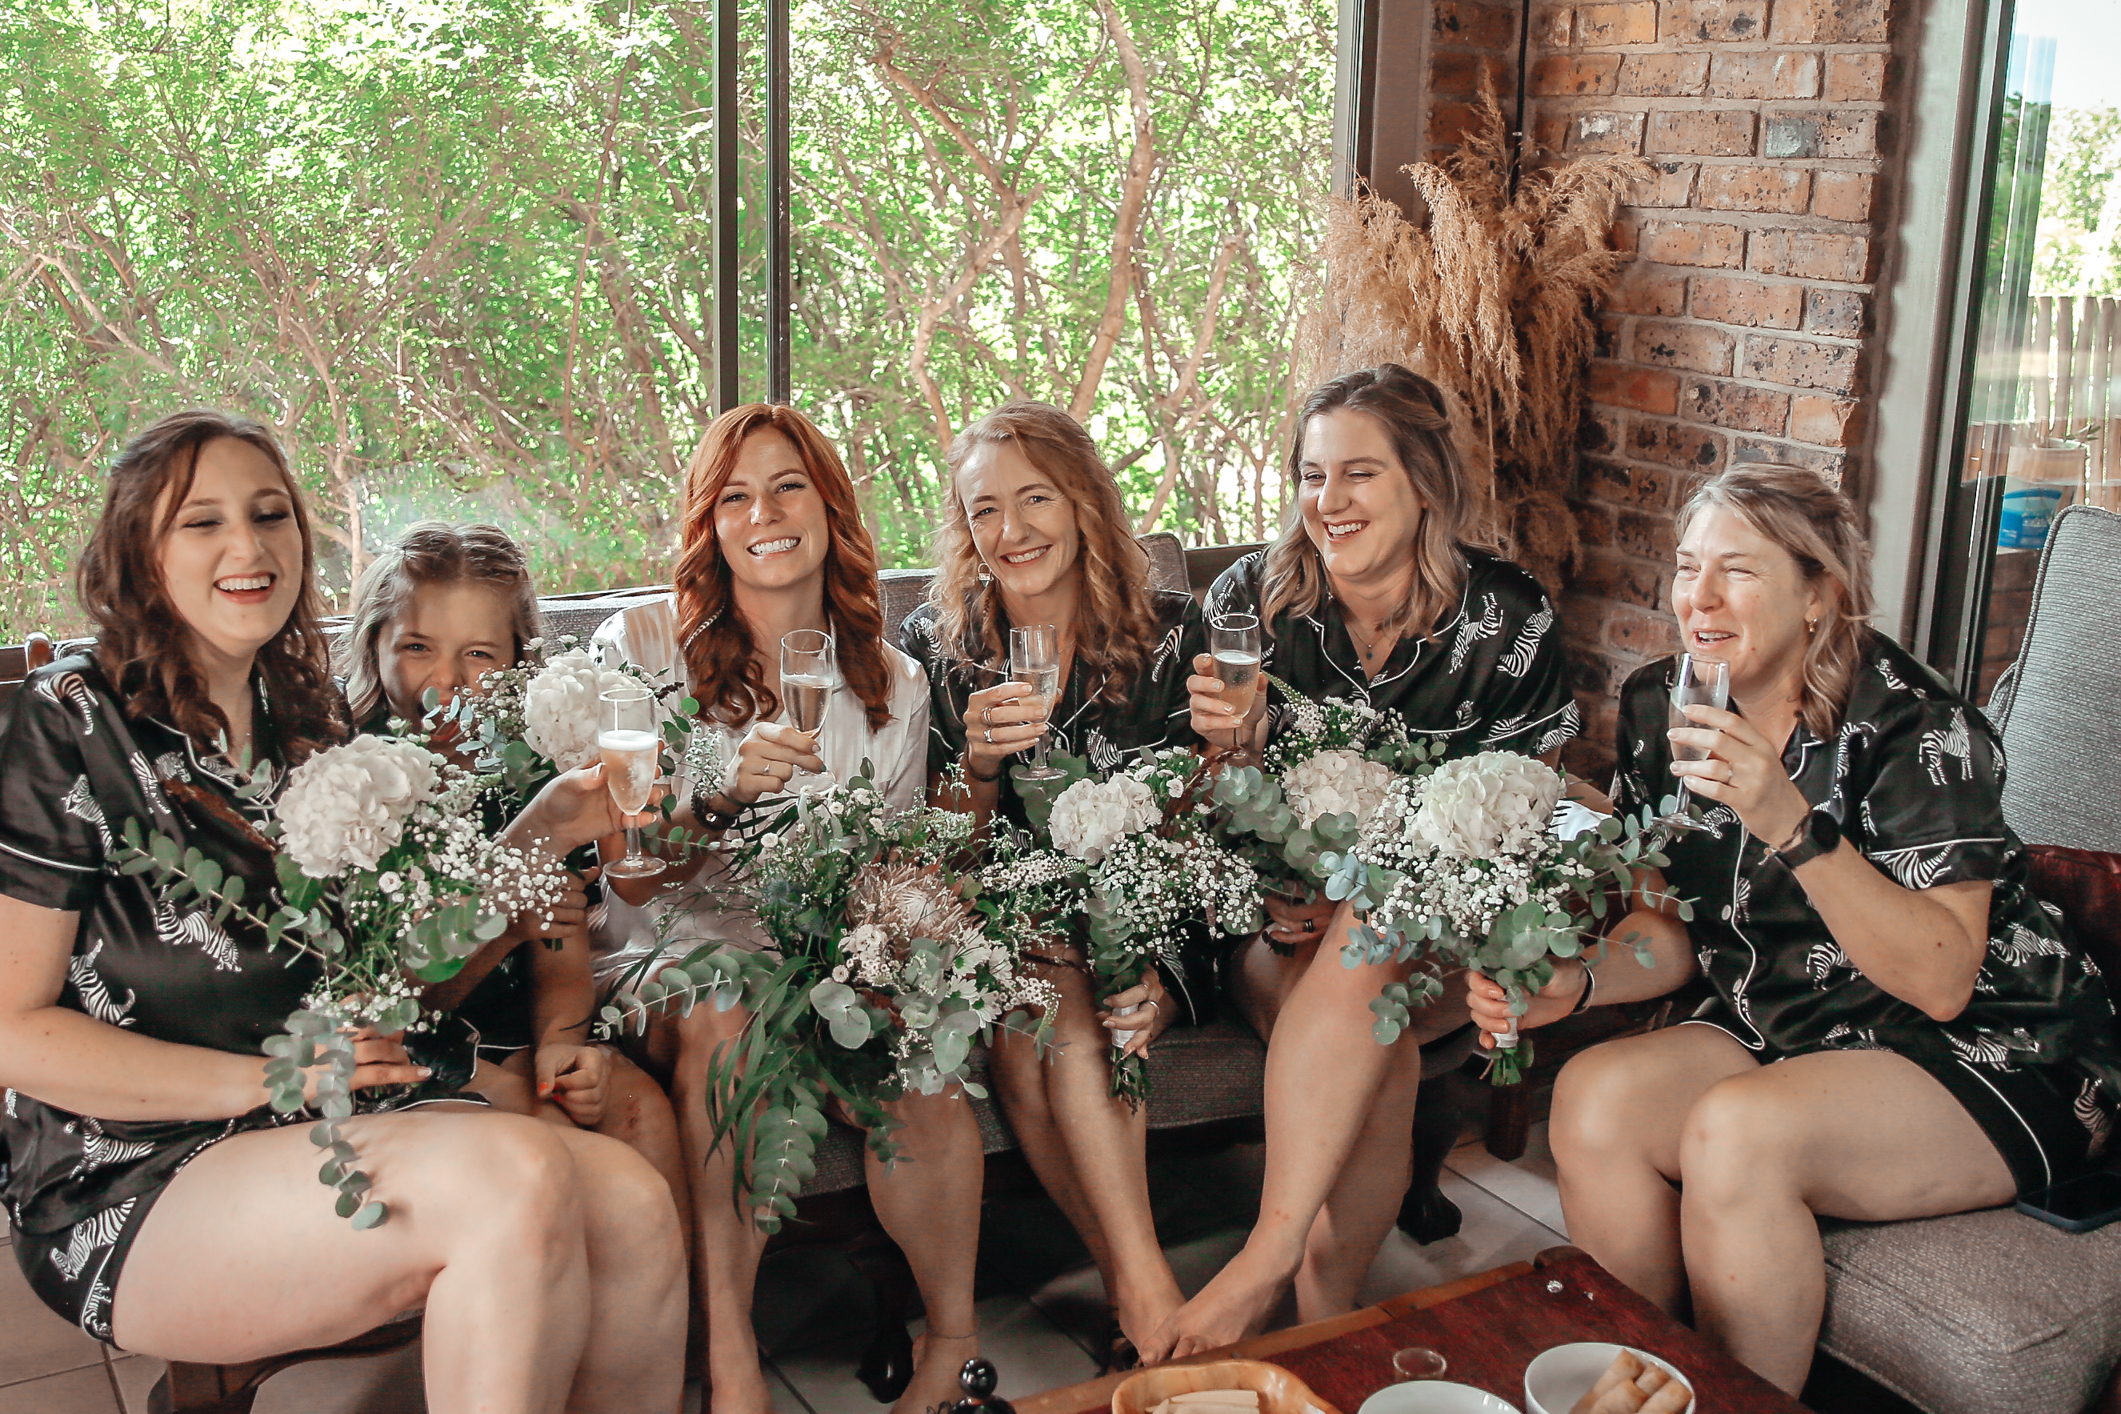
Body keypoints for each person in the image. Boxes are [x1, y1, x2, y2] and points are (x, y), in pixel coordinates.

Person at [0, 410, 685, 1413]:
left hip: (329, 1123)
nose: (248, 546)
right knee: (515, 1174)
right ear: (139, 550)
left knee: (633, 1204)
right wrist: (267, 1077)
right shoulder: (67, 722)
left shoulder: (308, 727)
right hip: (134, 1177)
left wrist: (545, 827)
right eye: (203, 521)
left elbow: (391, 983)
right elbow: (11, 1032)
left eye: (269, 513)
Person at [1466, 462, 2120, 1395]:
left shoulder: (1914, 726)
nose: (1698, 597)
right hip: (1787, 1017)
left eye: (1736, 570)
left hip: (1989, 1041)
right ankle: (1652, 1385)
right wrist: (1578, 985)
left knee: (1738, 1131)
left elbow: (1942, 978)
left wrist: (1788, 822)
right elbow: (1671, 932)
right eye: (1686, 566)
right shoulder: (1661, 706)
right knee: (1593, 1095)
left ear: (1819, 593)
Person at [1146, 364, 1576, 1361]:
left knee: (1376, 931)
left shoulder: (1509, 617)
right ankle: (1324, 1328)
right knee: (1376, 1039)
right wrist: (1233, 763)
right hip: (1271, 932)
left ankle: (1268, 1263)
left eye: (1358, 473)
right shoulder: (1251, 600)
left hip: (1440, 938)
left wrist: (1379, 893)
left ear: (1424, 482)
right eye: (1311, 474)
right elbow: (1184, 808)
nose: (1327, 501)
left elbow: (1524, 819)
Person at [590, 403, 962, 1414]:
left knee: (920, 1056)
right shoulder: (640, 645)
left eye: (788, 487)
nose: (764, 514)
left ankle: (953, 1341)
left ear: (830, 509)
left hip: (816, 952)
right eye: (735, 497)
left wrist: (889, 960)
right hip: (672, 947)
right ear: (709, 525)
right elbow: (627, 875)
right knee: (730, 1016)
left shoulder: (892, 680)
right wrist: (713, 798)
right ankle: (732, 1362)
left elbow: (887, 861)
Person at [897, 401, 1207, 1369]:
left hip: (1156, 914)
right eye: (984, 509)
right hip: (1015, 924)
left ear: (1082, 502)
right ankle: (1144, 1292)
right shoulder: (938, 644)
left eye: (1035, 498)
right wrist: (979, 768)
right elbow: (943, 854)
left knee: (1059, 1023)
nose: (1012, 530)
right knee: (1033, 1025)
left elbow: (1204, 819)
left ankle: (1139, 1294)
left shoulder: (1171, 634)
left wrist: (1145, 954)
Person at [336, 520, 689, 1211]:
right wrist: (508, 923)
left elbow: (560, 942)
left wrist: (563, 1044)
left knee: (636, 1108)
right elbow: (394, 994)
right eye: (416, 647)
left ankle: (683, 1288)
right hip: (399, 1038)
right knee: (556, 1139)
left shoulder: (526, 773)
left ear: (520, 662)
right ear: (373, 644)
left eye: (477, 654)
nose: (445, 681)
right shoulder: (350, 774)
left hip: (512, 1024)